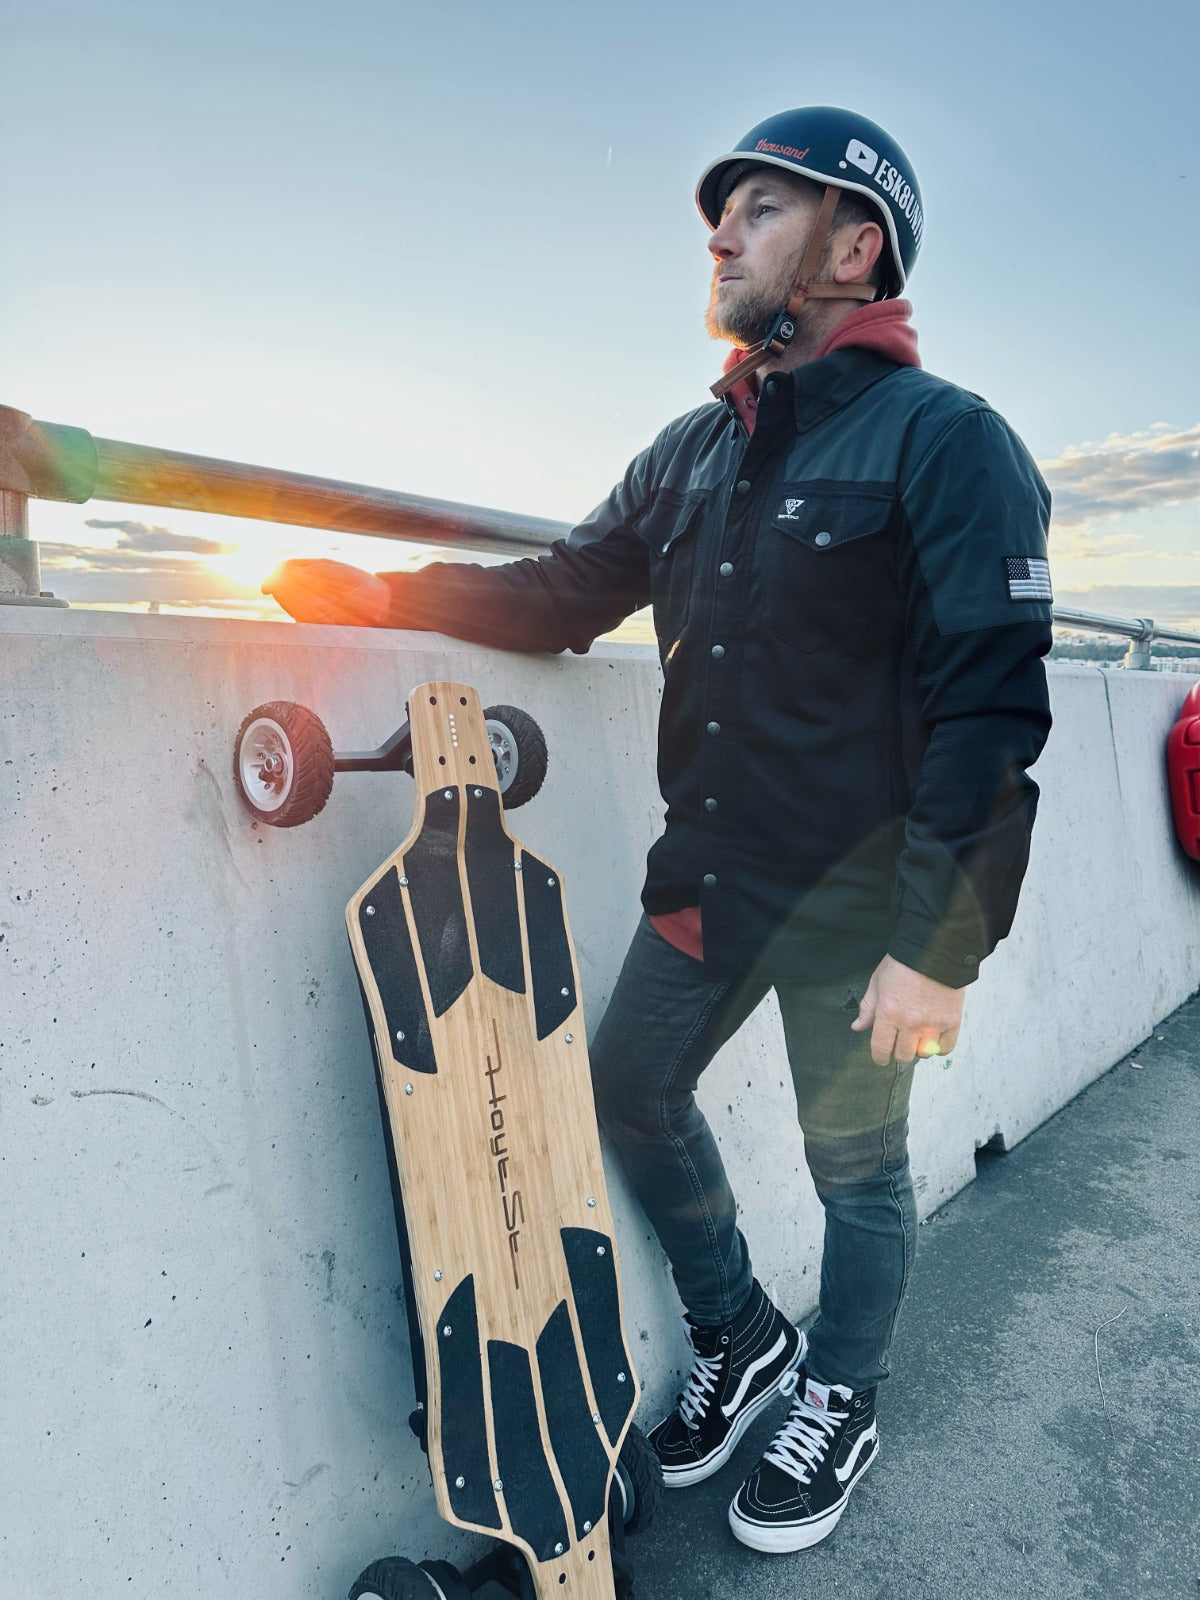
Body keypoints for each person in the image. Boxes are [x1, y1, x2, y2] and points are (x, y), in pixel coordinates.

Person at [265, 106, 1053, 1555]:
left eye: (759, 208)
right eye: (723, 212)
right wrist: (382, 596)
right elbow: (565, 593)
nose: (720, 232)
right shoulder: (692, 450)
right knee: (629, 1088)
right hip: (710, 875)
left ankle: (842, 1389)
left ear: (854, 243)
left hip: (869, 900)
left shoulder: (951, 443)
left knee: (857, 1169)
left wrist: (940, 946)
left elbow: (993, 711)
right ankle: (739, 1327)